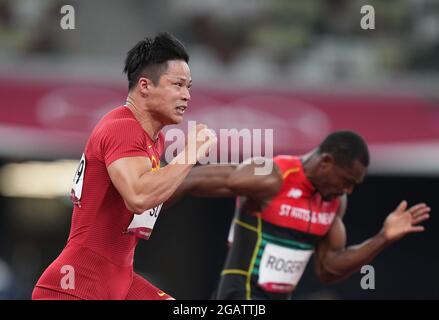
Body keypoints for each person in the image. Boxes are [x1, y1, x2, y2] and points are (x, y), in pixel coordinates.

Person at [32, 32, 216, 300]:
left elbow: (146, 200)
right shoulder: (123, 129)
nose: (186, 96)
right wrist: (189, 154)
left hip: (117, 281)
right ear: (144, 86)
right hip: (74, 287)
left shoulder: (154, 140)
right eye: (177, 85)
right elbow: (139, 196)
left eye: (189, 87)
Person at [174, 131, 431, 300]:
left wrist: (383, 238)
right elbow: (189, 179)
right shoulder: (272, 176)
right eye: (346, 180)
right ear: (326, 162)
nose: (348, 190)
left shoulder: (335, 203)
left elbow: (327, 269)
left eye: (354, 185)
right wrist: (139, 214)